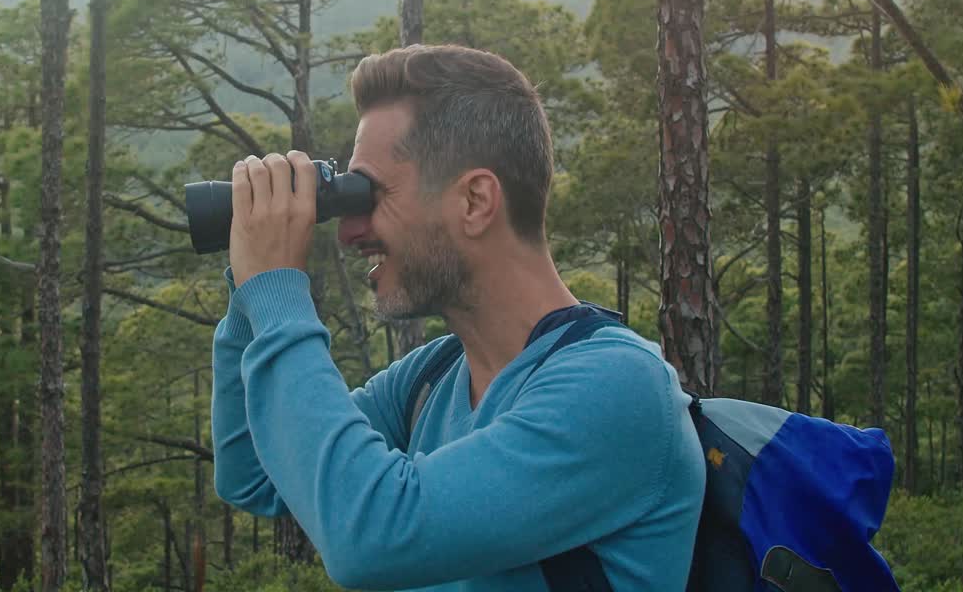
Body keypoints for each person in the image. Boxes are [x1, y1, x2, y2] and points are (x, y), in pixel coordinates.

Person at [210, 44, 705, 592]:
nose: (348, 232)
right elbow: (254, 472)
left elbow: (371, 536)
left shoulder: (618, 387)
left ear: (474, 201)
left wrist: (276, 286)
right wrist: (250, 288)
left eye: (369, 194)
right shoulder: (432, 379)